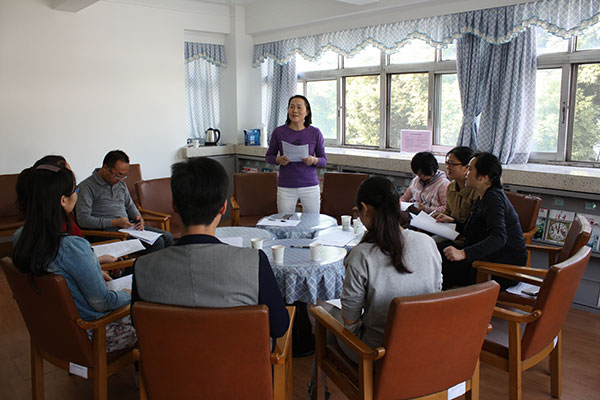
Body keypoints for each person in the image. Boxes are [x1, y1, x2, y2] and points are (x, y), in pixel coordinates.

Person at [131, 157, 289, 340]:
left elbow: (138, 324)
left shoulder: (142, 266)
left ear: (174, 206)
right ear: (223, 208)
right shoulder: (254, 261)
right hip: (238, 358)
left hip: (167, 358)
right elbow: (279, 327)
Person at [12, 163, 136, 352]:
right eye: (75, 190)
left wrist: (94, 271)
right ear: (63, 200)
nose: (77, 193)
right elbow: (103, 302)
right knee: (153, 312)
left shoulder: (20, 237)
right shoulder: (71, 246)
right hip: (92, 332)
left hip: (50, 329)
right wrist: (129, 294)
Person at [330, 176, 442, 360]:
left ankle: (322, 378)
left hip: (377, 356)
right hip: (423, 346)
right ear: (398, 204)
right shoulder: (427, 242)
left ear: (364, 209)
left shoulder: (362, 255)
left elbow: (350, 319)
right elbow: (436, 291)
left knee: (328, 316)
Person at [438, 152, 527, 290]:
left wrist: (463, 253)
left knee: (440, 266)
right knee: (435, 250)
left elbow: (498, 238)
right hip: (486, 255)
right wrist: (453, 222)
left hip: (499, 266)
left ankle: (435, 300)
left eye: (470, 169)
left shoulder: (493, 199)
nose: (466, 173)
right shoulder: (483, 195)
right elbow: (475, 230)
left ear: (484, 177)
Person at [76, 150, 173, 252]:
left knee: (168, 237)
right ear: (105, 168)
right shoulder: (86, 187)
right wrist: (114, 222)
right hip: (104, 232)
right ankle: (142, 263)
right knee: (157, 243)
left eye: (124, 175)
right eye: (117, 175)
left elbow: (129, 205)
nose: (120, 179)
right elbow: (83, 220)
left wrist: (137, 216)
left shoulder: (120, 182)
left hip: (127, 227)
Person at [266, 95, 327, 214]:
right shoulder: (279, 132)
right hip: (286, 186)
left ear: (307, 112)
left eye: (299, 107)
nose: (294, 111)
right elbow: (269, 157)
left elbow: (323, 160)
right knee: (285, 221)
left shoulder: (315, 132)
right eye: (291, 107)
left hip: (309, 185)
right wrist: (278, 159)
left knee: (312, 221)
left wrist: (313, 160)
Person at [435, 146, 479, 247]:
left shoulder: (476, 191)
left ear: (467, 167)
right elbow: (448, 212)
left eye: (452, 164)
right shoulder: (451, 187)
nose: (448, 167)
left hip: (467, 239)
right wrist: (435, 216)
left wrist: (452, 221)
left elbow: (474, 226)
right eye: (447, 163)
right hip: (450, 233)